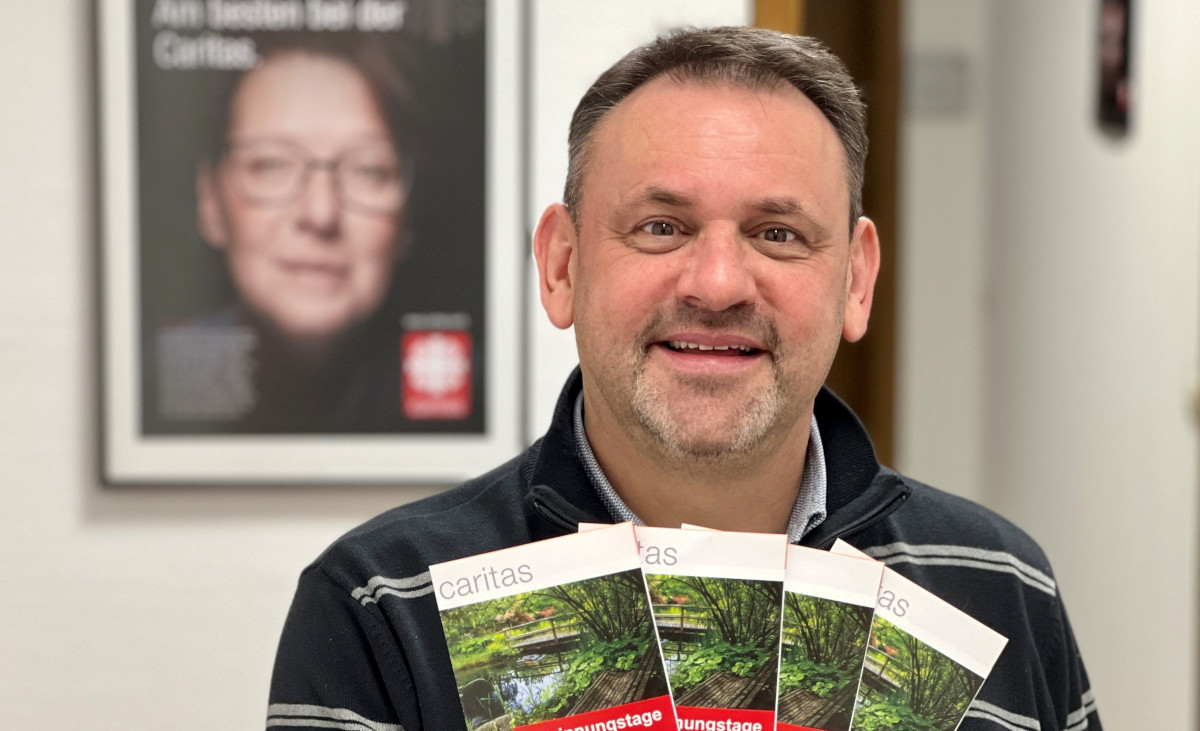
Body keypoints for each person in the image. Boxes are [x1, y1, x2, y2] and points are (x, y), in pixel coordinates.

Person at [267, 27, 1102, 731]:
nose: (716, 283)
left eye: (778, 234)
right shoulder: (381, 605)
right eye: (661, 227)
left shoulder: (1000, 587)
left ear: (855, 280)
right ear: (562, 265)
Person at [155, 35, 418, 433]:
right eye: (271, 165)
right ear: (210, 202)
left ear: (406, 216)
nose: (321, 213)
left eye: (368, 170)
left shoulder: (468, 388)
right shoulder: (149, 383)